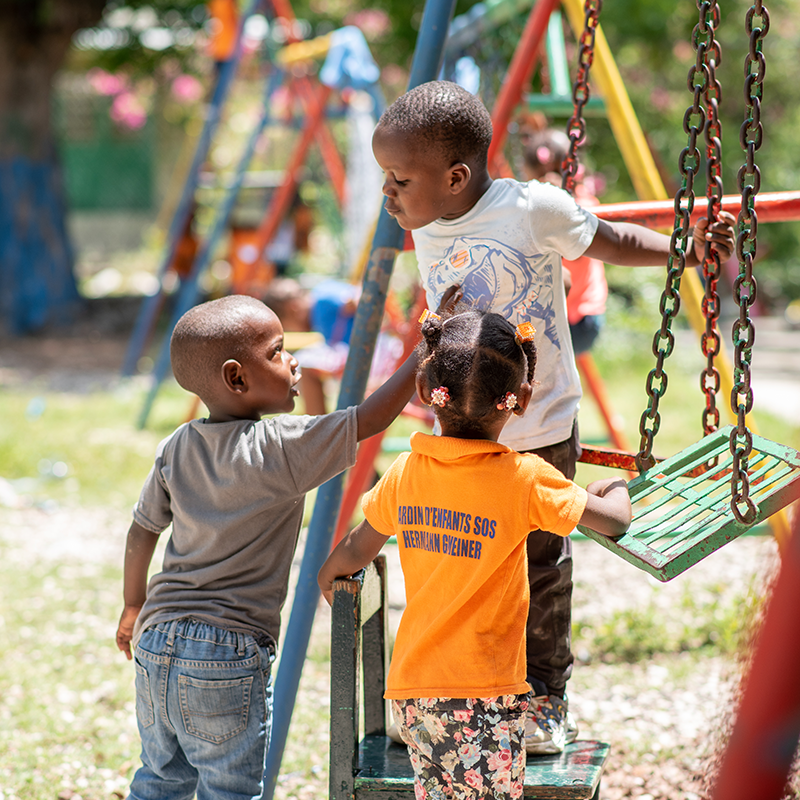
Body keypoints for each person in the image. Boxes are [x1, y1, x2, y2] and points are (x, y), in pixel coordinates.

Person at [370, 79, 736, 755]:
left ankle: (544, 697)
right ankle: (450, 693)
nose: (387, 195)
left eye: (397, 180)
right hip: (459, 426)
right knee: (460, 559)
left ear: (455, 177)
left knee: (541, 565)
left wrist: (682, 253)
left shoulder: (531, 208)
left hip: (535, 425)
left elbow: (610, 239)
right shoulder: (424, 220)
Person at [115, 294, 419, 800]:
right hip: (227, 652)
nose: (293, 360)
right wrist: (422, 356)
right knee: (230, 789)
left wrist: (132, 604)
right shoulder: (282, 448)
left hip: (155, 639)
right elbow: (369, 419)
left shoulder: (177, 445)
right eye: (278, 352)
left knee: (160, 779)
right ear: (237, 378)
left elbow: (142, 529)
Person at [318, 307, 632, 798]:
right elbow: (613, 523)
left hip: (414, 695)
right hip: (486, 691)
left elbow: (348, 556)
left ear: (424, 393)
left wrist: (333, 585)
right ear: (522, 399)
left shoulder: (404, 473)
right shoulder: (525, 479)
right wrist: (615, 485)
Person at [519, 125, 606, 355]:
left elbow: (575, 254)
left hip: (580, 319)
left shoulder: (584, 206)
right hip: (560, 315)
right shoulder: (534, 211)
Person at [263, 277, 403, 415]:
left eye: (287, 327)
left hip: (380, 354)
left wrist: (353, 302)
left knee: (304, 363)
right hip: (368, 358)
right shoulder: (320, 320)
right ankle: (324, 428)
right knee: (308, 361)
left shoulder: (322, 298)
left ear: (293, 308)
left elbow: (366, 296)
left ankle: (321, 430)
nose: (294, 331)